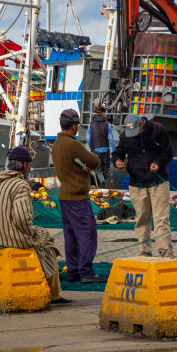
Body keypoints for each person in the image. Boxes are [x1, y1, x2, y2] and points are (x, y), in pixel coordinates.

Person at [0, 146, 71, 305]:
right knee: (47, 241)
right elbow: (22, 219)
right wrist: (30, 233)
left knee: (39, 235)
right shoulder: (20, 185)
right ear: (25, 165)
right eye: (29, 165)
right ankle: (54, 294)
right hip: (11, 239)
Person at [51, 109, 105, 283]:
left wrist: (81, 166)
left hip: (64, 197)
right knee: (87, 234)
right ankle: (86, 272)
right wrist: (87, 166)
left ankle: (73, 271)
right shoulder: (73, 144)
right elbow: (95, 161)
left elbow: (71, 165)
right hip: (78, 198)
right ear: (74, 126)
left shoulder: (56, 145)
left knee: (71, 237)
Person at [112, 114, 174, 258]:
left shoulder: (157, 129)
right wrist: (117, 161)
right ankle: (144, 253)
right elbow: (117, 153)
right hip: (137, 183)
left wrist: (158, 163)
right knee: (142, 220)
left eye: (135, 131)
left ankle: (166, 255)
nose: (132, 134)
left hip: (158, 182)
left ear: (142, 124)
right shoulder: (124, 135)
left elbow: (168, 153)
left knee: (161, 220)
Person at [87, 105, 115, 187]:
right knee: (105, 169)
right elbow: (111, 139)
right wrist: (114, 151)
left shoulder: (90, 124)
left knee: (98, 169)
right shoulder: (107, 124)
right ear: (103, 113)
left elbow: (88, 139)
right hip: (106, 150)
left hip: (96, 150)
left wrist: (92, 148)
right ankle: (104, 185)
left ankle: (100, 184)